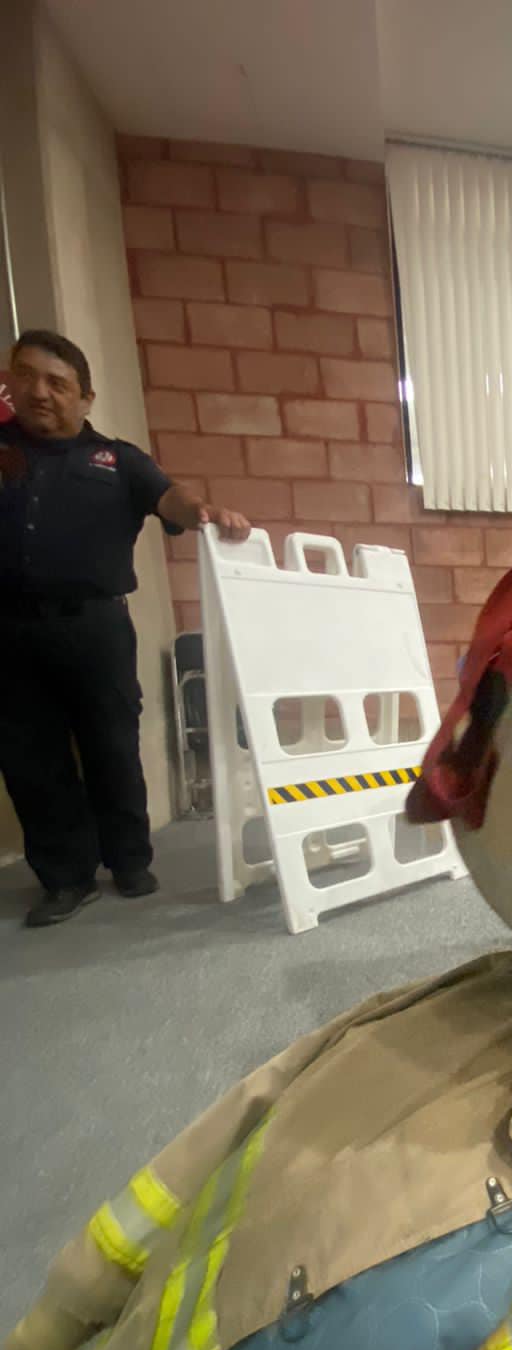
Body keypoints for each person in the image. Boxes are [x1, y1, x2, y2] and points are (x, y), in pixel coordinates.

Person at [0, 330, 251, 928]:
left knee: (112, 744)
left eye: (57, 383)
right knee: (30, 758)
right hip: (9, 631)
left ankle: (131, 860)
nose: (39, 392)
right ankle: (65, 878)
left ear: (84, 398)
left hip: (96, 626)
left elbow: (171, 497)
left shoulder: (116, 460)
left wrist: (203, 515)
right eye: (27, 376)